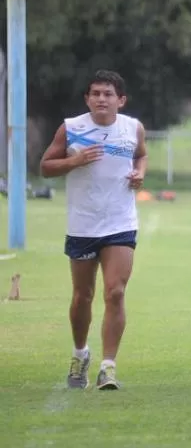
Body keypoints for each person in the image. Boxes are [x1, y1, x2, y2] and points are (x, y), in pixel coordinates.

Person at [40, 70, 148, 391]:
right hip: (83, 224)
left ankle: (108, 366)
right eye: (96, 94)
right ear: (87, 99)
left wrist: (139, 173)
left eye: (108, 94)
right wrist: (74, 162)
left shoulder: (133, 128)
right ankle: (80, 354)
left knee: (115, 291)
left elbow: (141, 155)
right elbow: (46, 166)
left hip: (120, 222)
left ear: (121, 100)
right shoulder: (71, 128)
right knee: (82, 296)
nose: (102, 99)